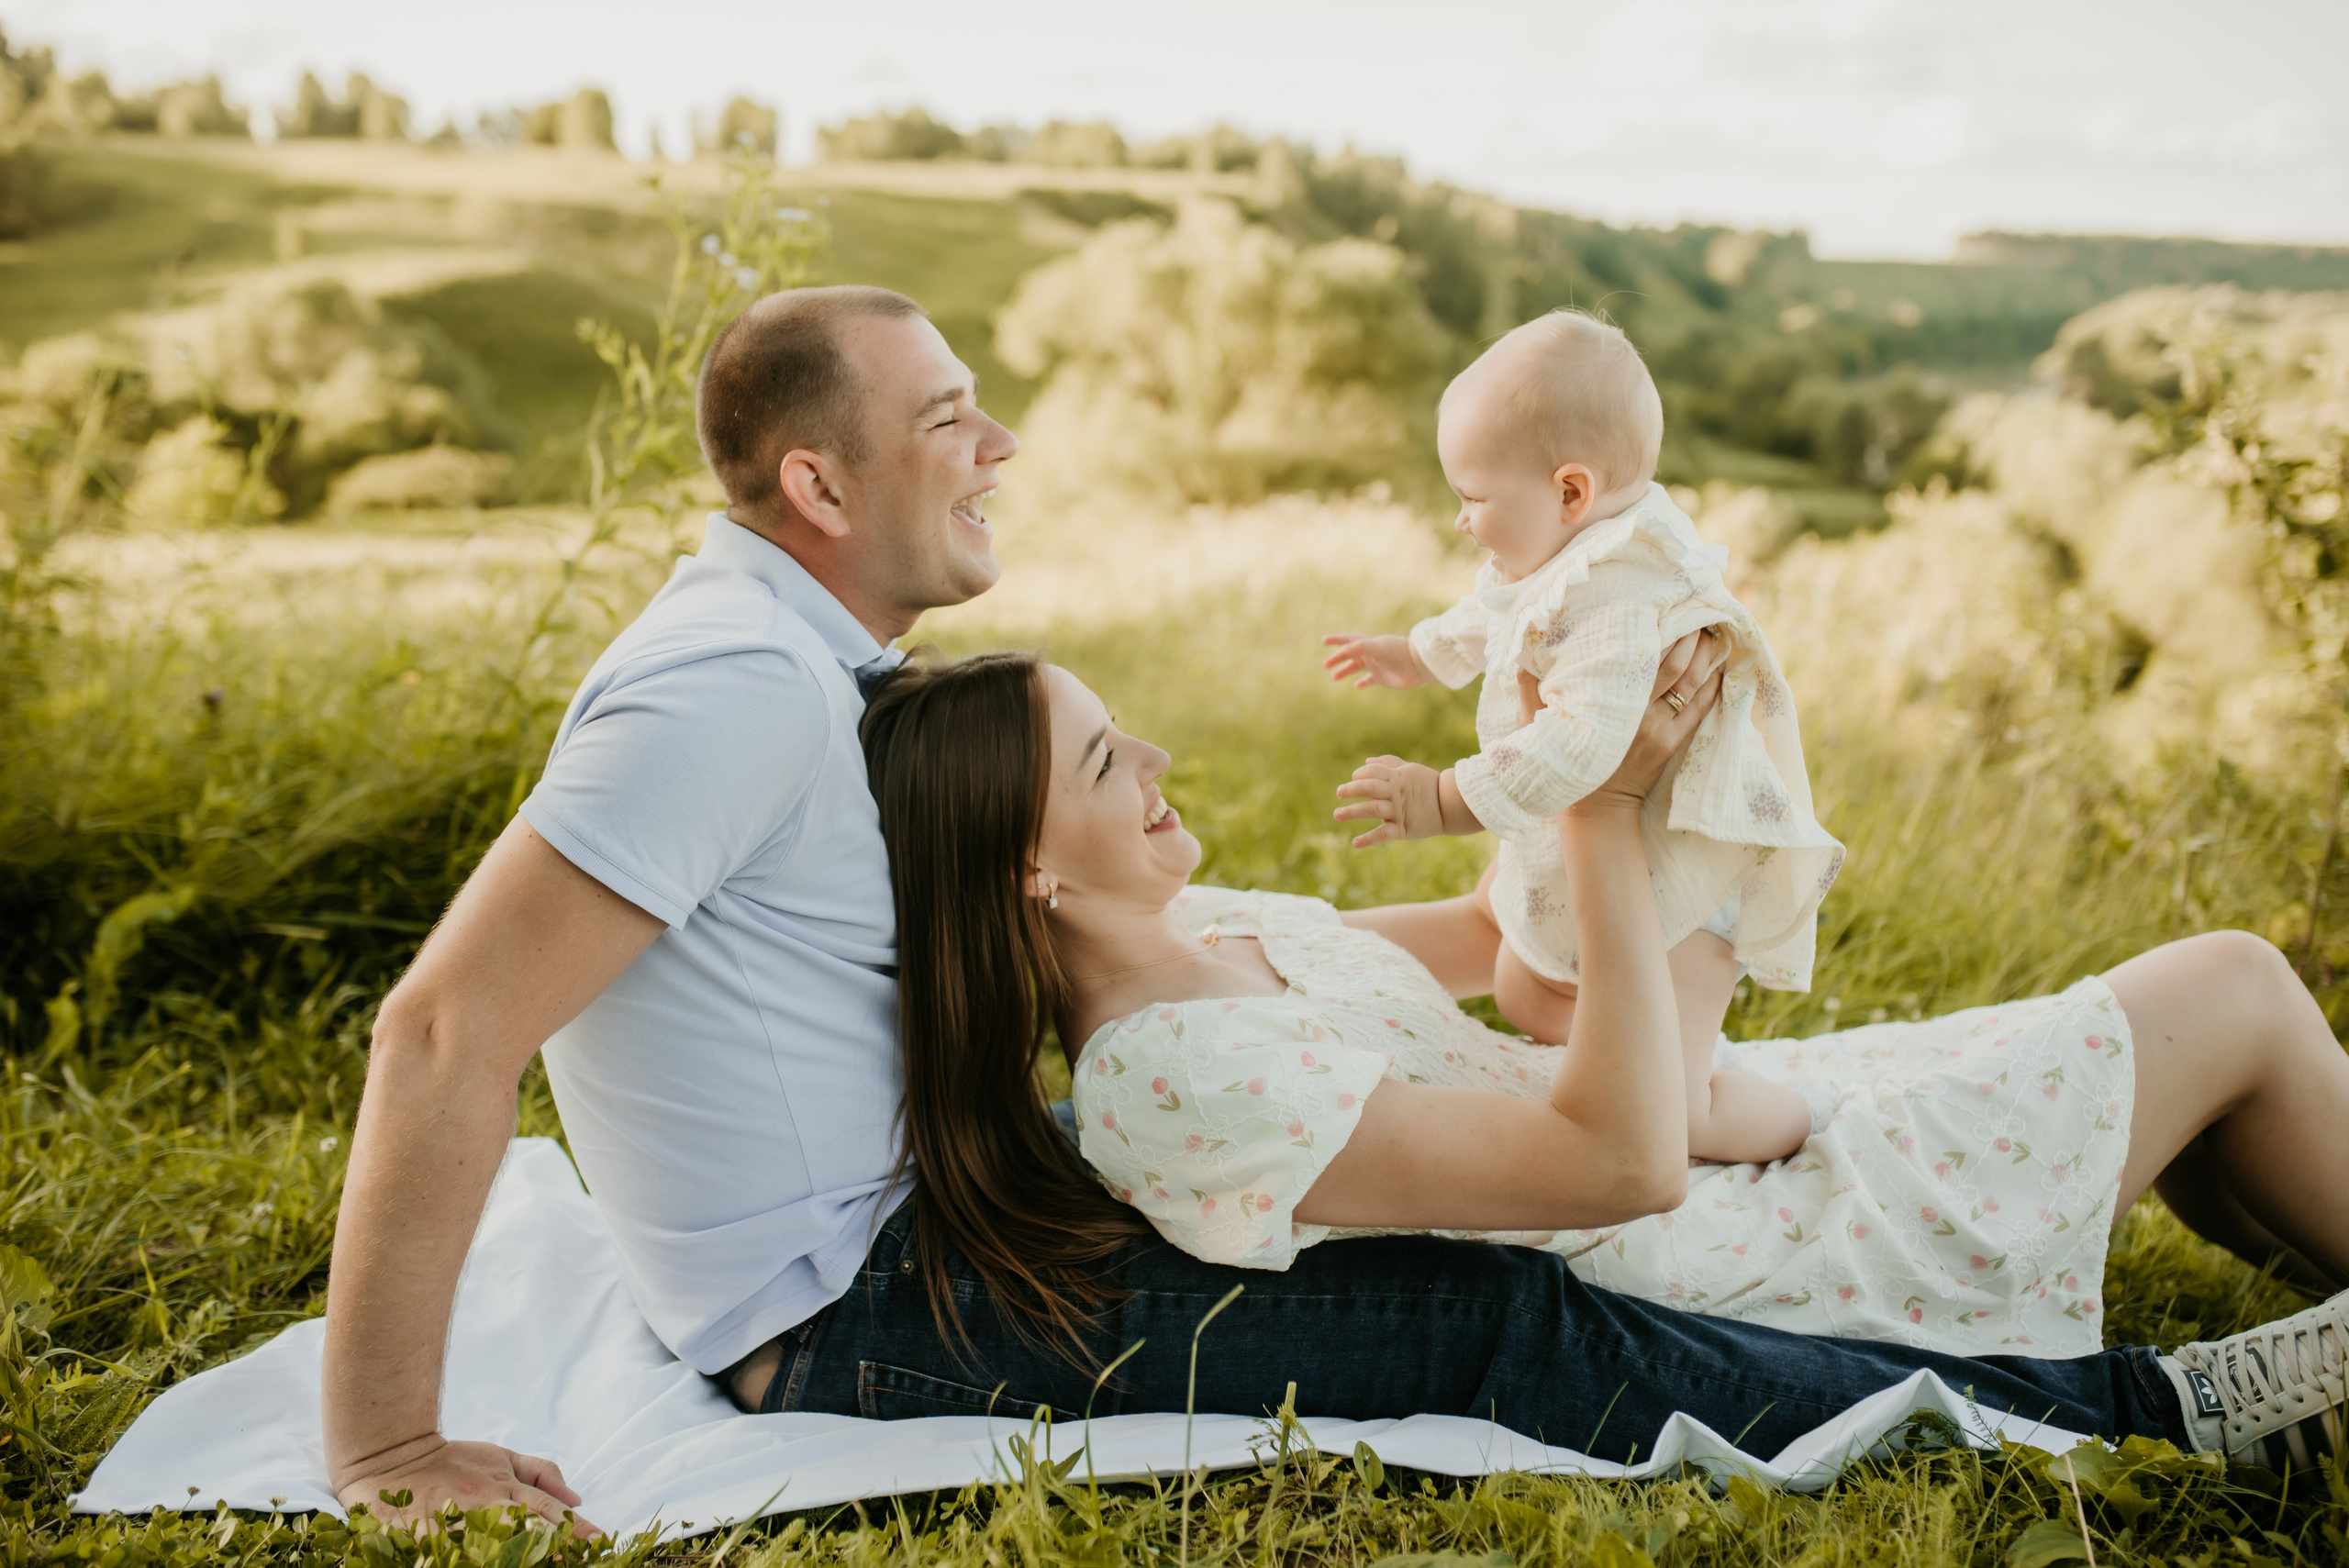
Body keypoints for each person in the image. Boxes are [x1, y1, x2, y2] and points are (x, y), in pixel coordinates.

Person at [322, 286, 2347, 1537]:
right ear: (816, 481)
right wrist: (391, 1432)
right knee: (1490, 1314)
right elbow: (442, 1024)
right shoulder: (731, 684)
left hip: (921, 1212)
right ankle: (2138, 1415)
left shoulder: (817, 677)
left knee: (1514, 1256)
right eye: (945, 413)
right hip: (848, 1309)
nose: (997, 435)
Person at [867, 651, 2343, 1370]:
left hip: (1701, 1132)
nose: (1158, 751)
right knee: (2229, 982)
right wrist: (1607, 818)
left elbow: (1480, 945)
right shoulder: (1166, 1083)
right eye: (1109, 761)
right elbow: (1620, 1165)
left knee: (2195, 1059)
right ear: (1026, 867)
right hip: (1710, 1237)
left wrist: (1543, 748)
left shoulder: (1212, 929)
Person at [1322, 309, 1840, 1167]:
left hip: (1690, 869)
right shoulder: (1582, 541)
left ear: (1570, 490)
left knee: (1679, 1119)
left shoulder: (1625, 602)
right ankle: (1614, 1034)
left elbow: (1580, 749)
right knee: (1523, 967)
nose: (1462, 521)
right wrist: (1416, 652)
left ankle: (1797, 1116)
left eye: (1473, 498)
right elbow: (1499, 603)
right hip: (1620, 840)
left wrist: (1443, 798)